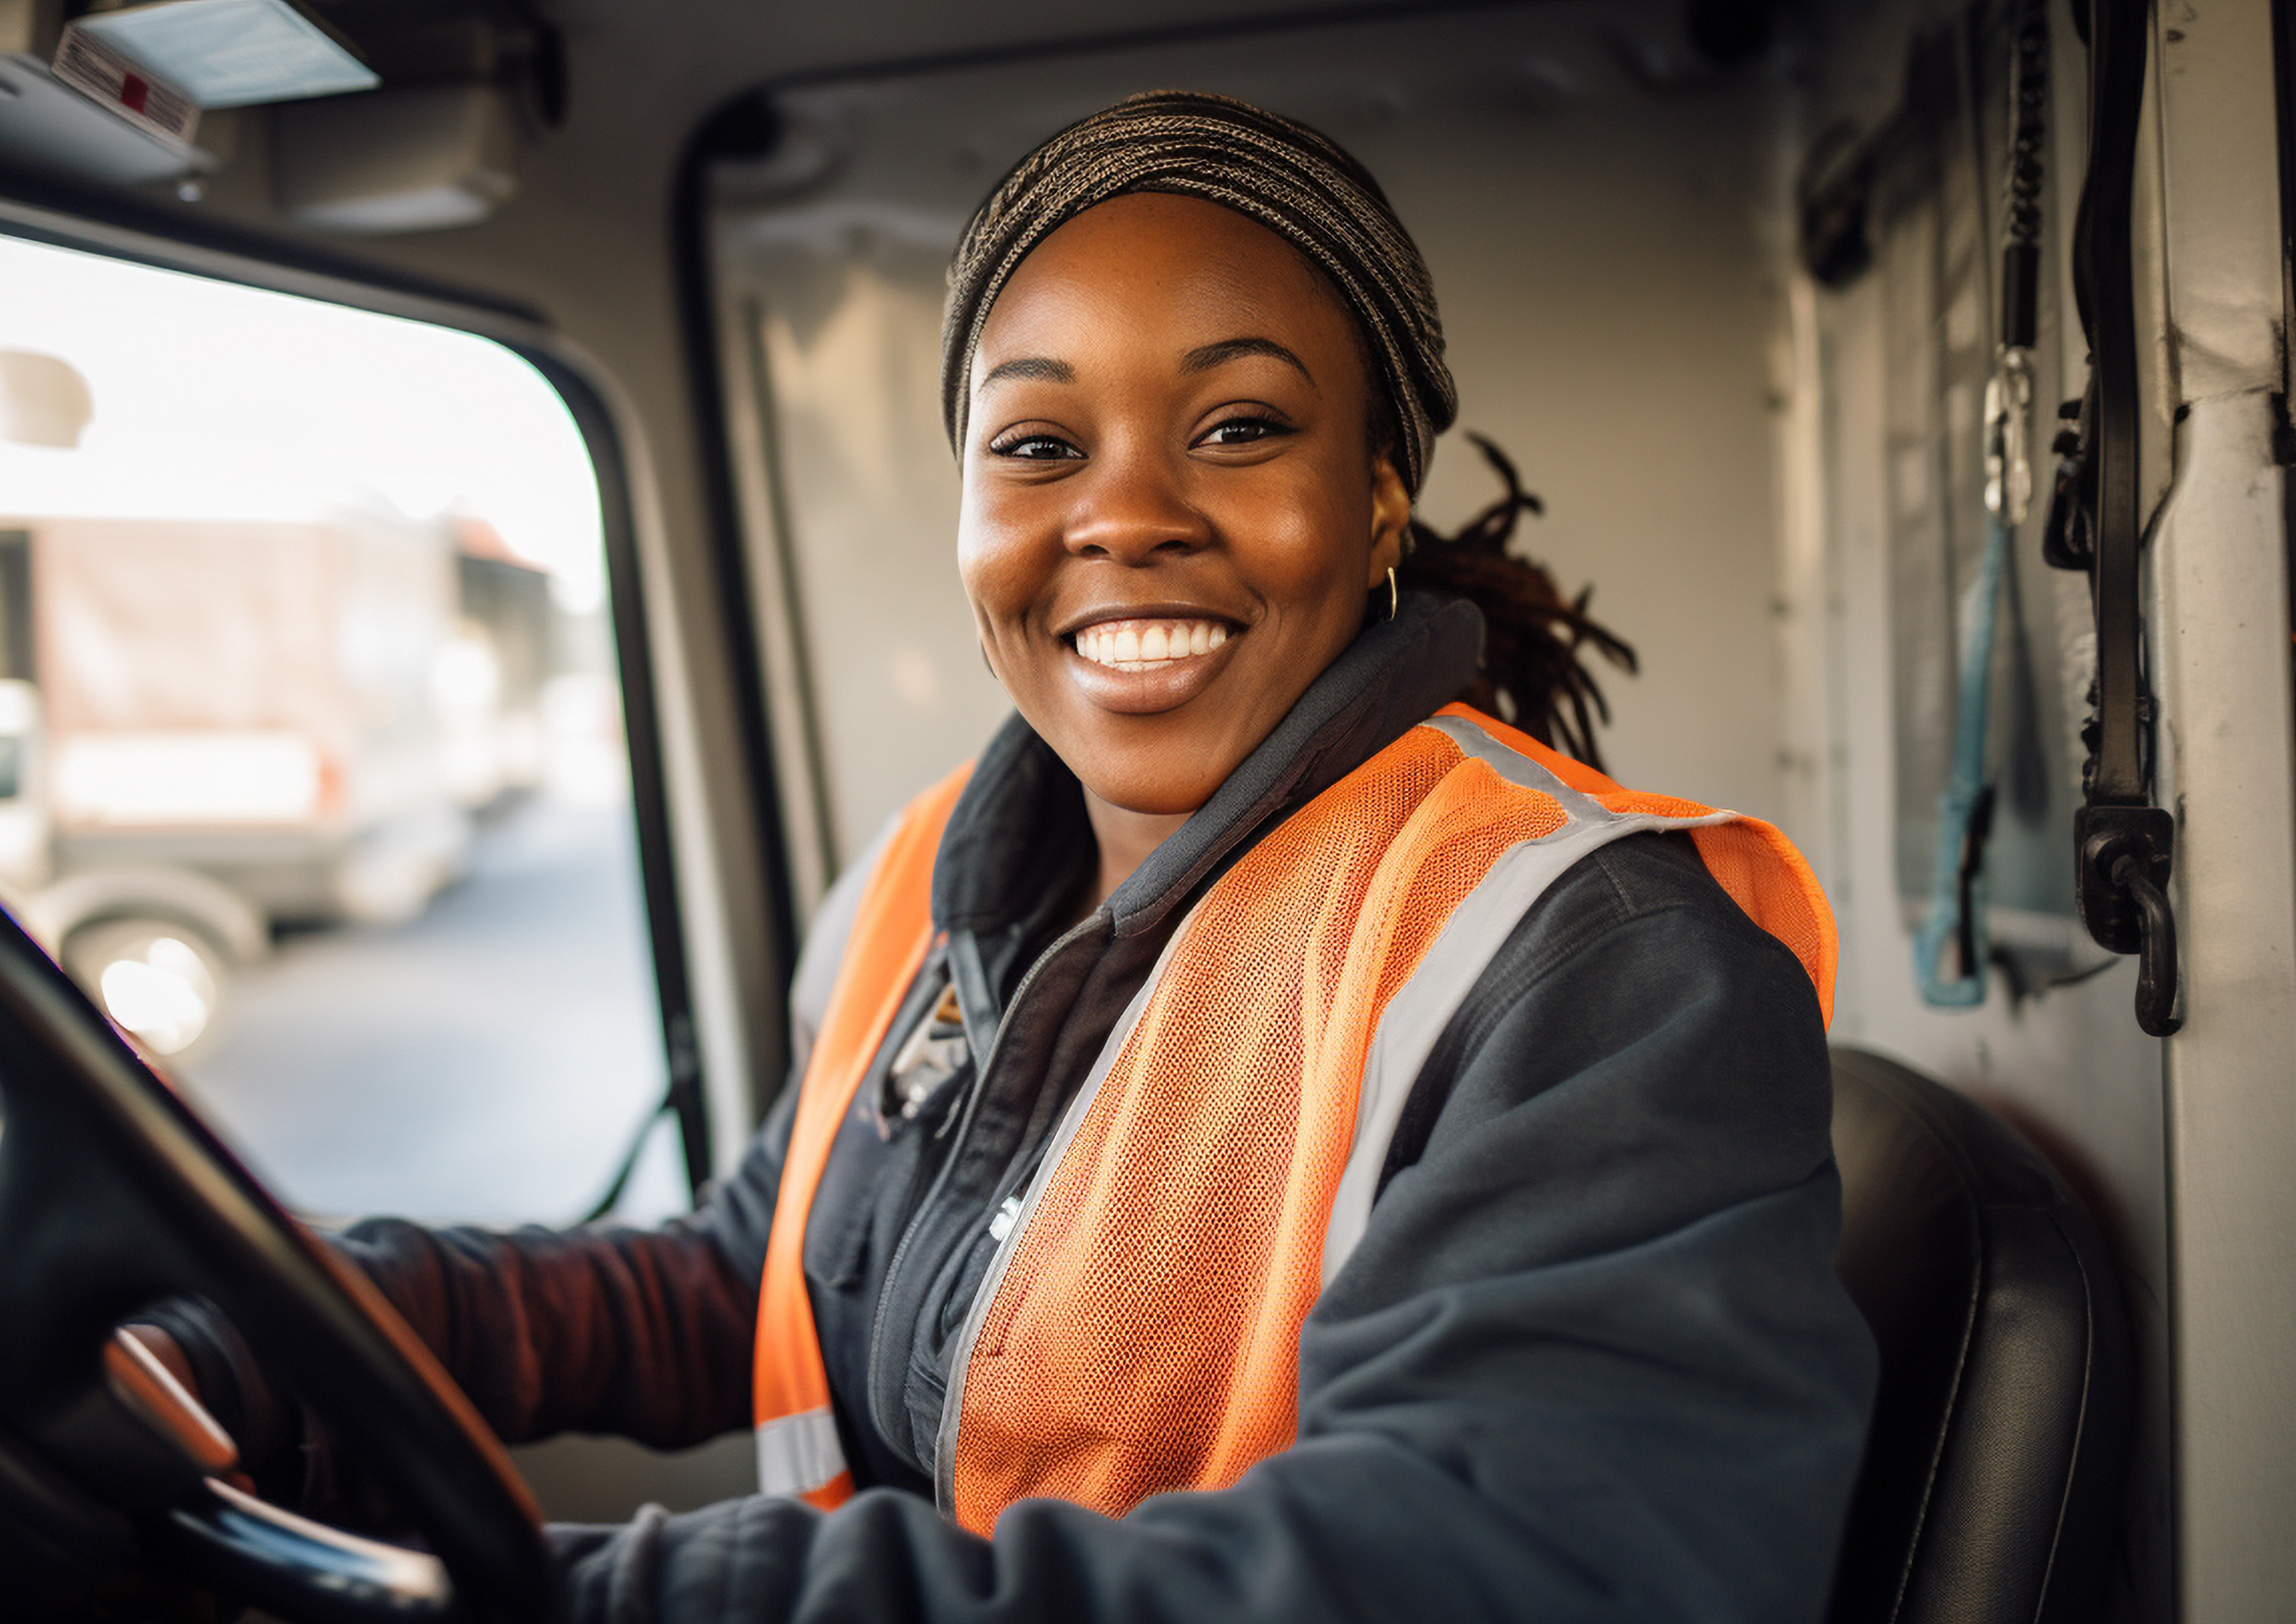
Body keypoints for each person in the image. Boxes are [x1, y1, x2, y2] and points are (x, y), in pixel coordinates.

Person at [148, 89, 1876, 1620]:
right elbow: (754, 1284)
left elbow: (1500, 1565)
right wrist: (277, 1326)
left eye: (1241, 426)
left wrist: (561, 1591)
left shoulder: (1600, 968)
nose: (1124, 513)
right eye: (1040, 445)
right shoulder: (934, 881)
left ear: (1374, 506)